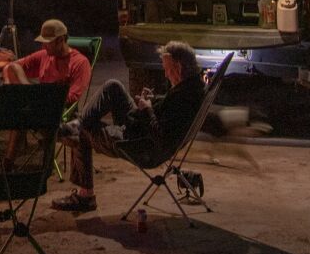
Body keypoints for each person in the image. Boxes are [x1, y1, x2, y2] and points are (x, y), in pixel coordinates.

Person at [53, 40, 205, 213]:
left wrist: (148, 110)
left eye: (167, 68)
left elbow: (162, 138)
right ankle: (77, 124)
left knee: (83, 133)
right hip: (139, 128)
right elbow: (167, 113)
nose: (165, 73)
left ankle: (85, 197)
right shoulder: (191, 87)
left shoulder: (184, 99)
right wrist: (152, 102)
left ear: (178, 67)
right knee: (113, 87)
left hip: (140, 145)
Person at [0, 18, 92, 104]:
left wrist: (42, 97)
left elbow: (72, 97)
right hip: (36, 101)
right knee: (13, 68)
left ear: (60, 40)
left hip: (55, 108)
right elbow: (11, 67)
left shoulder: (80, 63)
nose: (44, 46)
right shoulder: (44, 55)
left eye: (48, 43)